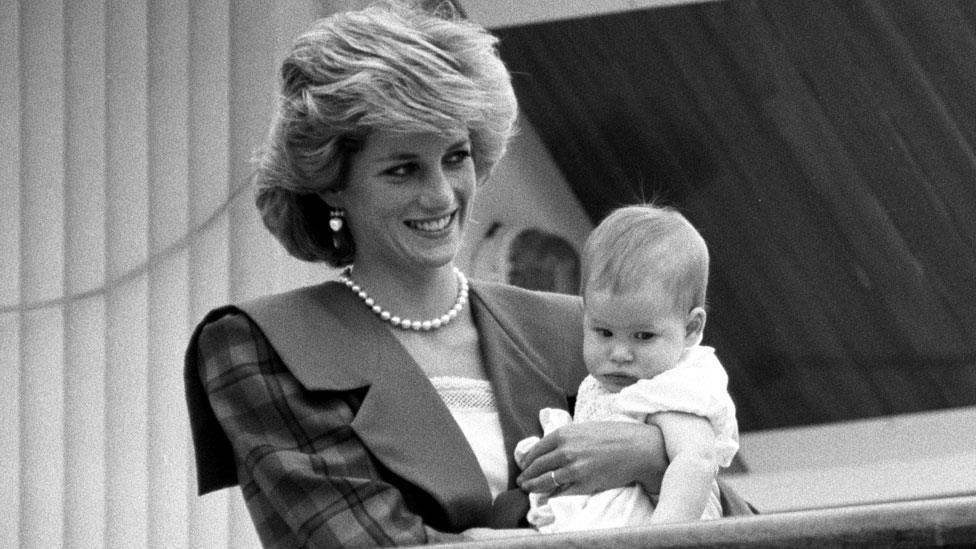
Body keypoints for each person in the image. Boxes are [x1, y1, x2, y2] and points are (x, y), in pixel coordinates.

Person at [184, 2, 753, 547]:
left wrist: (649, 457)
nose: (440, 195)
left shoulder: (581, 330)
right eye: (402, 168)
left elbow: (745, 528)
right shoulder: (262, 346)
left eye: (454, 157)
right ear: (332, 180)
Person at [515, 204, 740, 532]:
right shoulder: (617, 380)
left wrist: (661, 538)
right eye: (603, 332)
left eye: (643, 336)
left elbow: (695, 461)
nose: (619, 353)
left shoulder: (672, 386)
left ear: (691, 328)